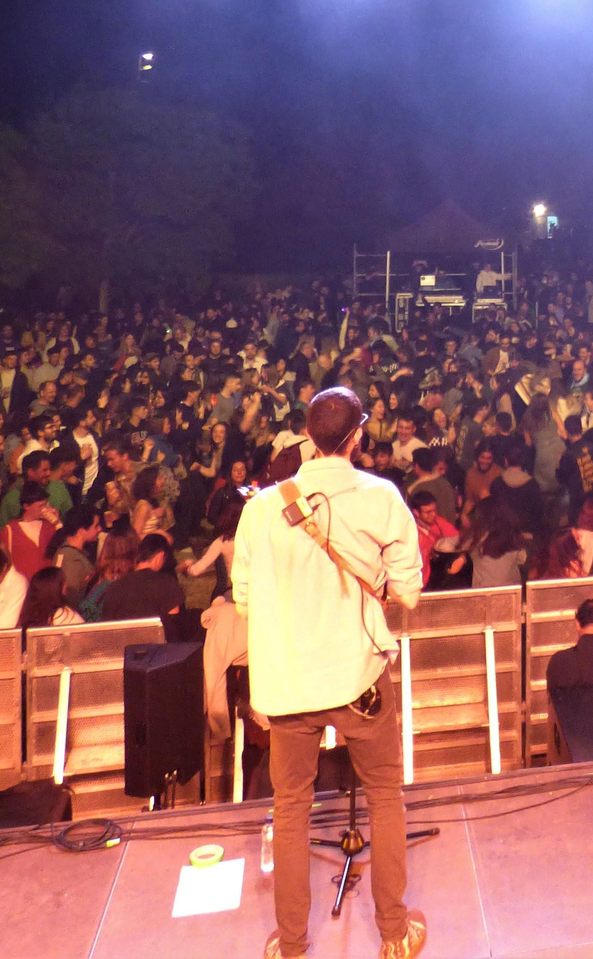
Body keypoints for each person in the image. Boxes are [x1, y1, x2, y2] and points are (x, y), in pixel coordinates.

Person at [233, 386, 426, 959]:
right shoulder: (381, 495)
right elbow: (409, 594)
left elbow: (244, 598)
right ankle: (393, 935)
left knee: (290, 808)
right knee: (384, 796)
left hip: (288, 682)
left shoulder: (261, 506)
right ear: (357, 436)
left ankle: (291, 946)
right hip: (358, 677)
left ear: (306, 438)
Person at [96, 533, 185, 623]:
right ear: (161, 556)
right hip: (155, 636)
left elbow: (107, 625)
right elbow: (173, 623)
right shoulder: (167, 583)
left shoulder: (115, 587)